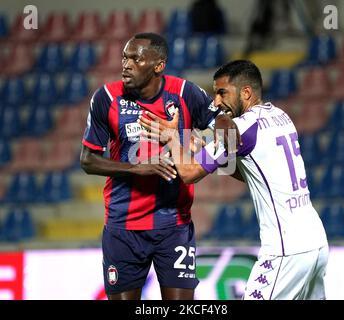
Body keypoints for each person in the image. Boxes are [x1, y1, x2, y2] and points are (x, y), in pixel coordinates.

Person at [139, 60, 329, 300]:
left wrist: (172, 139)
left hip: (285, 251)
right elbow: (255, 173)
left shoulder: (241, 127)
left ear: (246, 92)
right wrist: (203, 151)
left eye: (222, 93)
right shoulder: (281, 116)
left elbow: (188, 174)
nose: (216, 102)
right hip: (316, 243)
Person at [80, 32, 236, 300]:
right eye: (124, 58)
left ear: (158, 65)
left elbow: (229, 134)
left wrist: (200, 149)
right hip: (123, 228)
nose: (126, 64)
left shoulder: (185, 93)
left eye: (135, 59)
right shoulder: (107, 97)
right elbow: (87, 160)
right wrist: (137, 169)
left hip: (174, 226)